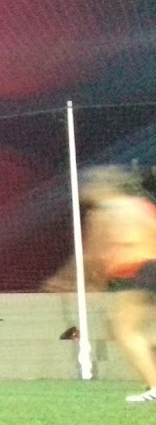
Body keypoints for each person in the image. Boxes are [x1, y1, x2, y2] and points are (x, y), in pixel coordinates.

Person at [46, 166, 156, 403]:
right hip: (151, 267)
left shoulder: (105, 211)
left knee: (125, 331)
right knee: (137, 331)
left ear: (101, 188)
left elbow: (91, 254)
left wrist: (66, 279)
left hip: (137, 269)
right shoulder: (143, 205)